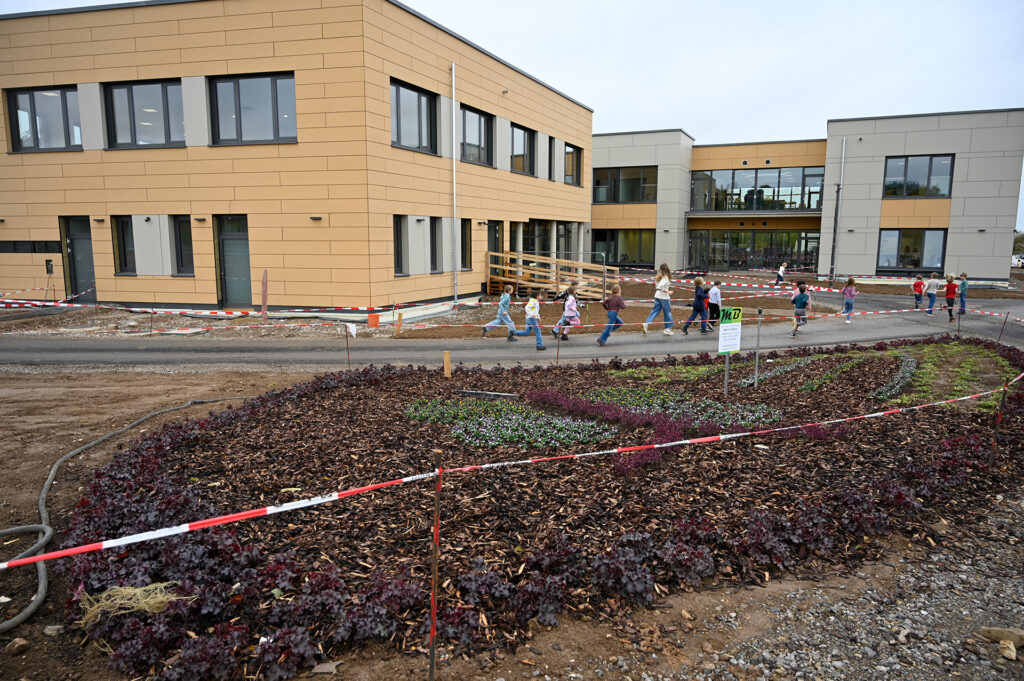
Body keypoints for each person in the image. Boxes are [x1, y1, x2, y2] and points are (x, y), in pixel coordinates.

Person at [642, 263, 674, 336]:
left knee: (655, 311)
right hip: (664, 298)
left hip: (657, 296)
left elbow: (658, 286)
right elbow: (659, 287)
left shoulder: (658, 277)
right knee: (667, 313)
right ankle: (667, 328)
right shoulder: (665, 278)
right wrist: (668, 291)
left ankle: (646, 324)